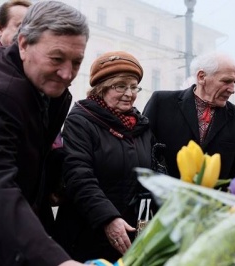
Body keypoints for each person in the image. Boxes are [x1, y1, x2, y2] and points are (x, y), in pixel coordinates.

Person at [0, 1, 91, 265]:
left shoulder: (41, 84)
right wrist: (56, 260)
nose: (67, 74)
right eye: (57, 58)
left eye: (77, 62)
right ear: (23, 44)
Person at [53, 51, 155, 263]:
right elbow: (78, 175)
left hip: (130, 238)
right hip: (86, 235)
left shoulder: (141, 126)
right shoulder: (81, 120)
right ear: (101, 88)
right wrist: (108, 218)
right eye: (121, 86)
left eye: (134, 86)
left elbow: (148, 178)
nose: (130, 93)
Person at [143, 51, 235, 183]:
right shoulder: (162, 103)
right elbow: (142, 152)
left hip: (214, 202)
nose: (232, 89)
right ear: (201, 77)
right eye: (226, 81)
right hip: (163, 200)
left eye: (234, 82)